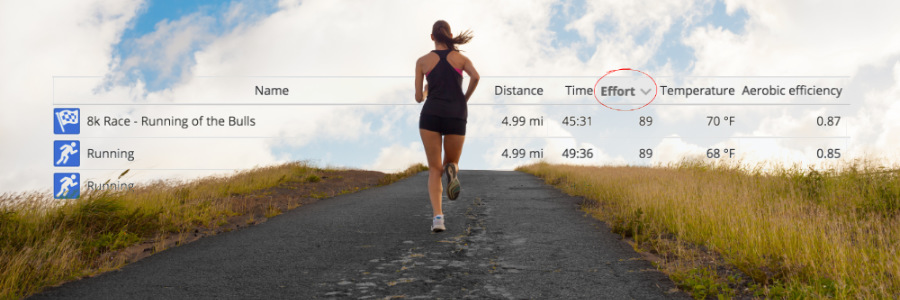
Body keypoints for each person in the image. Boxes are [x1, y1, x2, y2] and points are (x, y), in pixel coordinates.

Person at [414, 20, 480, 233]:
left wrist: (426, 91)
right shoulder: (460, 59)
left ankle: (438, 218)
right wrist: (464, 98)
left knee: (434, 169)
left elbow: (418, 98)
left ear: (432, 37)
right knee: (451, 162)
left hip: (431, 114)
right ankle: (452, 169)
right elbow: (476, 76)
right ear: (449, 35)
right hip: (456, 114)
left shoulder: (422, 61)